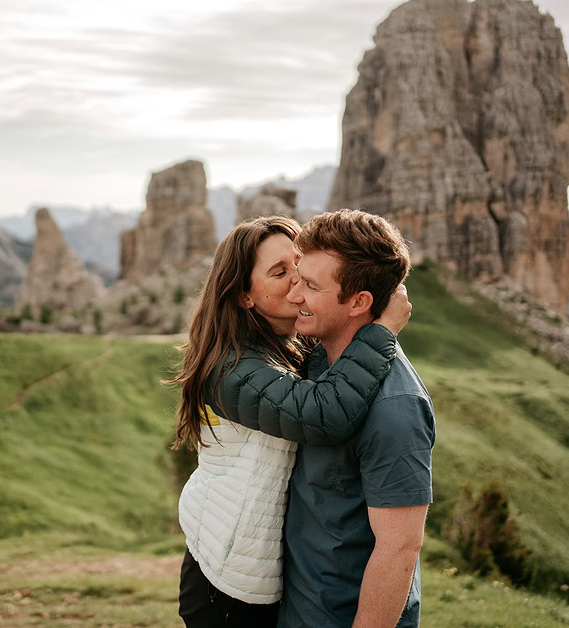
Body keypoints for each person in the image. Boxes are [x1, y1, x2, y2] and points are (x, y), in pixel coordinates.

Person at [172, 215, 412, 627]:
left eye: (299, 267)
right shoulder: (233, 369)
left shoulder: (289, 349)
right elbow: (323, 415)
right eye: (279, 272)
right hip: (229, 580)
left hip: (262, 572)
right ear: (245, 295)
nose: (297, 282)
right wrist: (382, 330)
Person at [277, 209, 435, 627]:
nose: (295, 296)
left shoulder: (394, 406)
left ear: (359, 302)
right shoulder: (316, 362)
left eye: (311, 286)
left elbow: (400, 548)